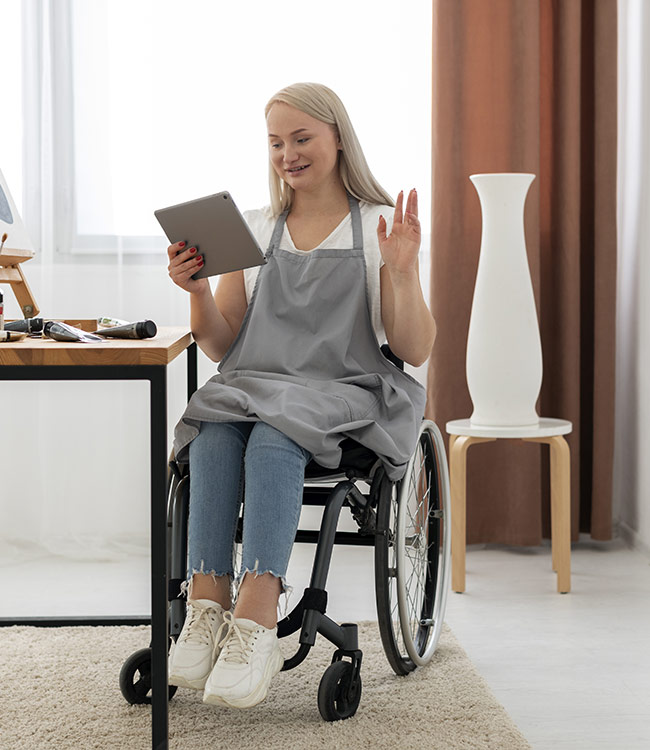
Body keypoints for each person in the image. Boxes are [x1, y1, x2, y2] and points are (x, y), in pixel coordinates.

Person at [166, 82, 436, 710]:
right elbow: (221, 344)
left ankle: (257, 615)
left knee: (270, 435)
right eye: (275, 143)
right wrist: (197, 290)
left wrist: (402, 270)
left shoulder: (377, 226)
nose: (287, 153)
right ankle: (207, 606)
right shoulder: (256, 229)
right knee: (213, 430)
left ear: (338, 138)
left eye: (301, 138)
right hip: (259, 384)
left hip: (343, 388)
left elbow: (414, 348)